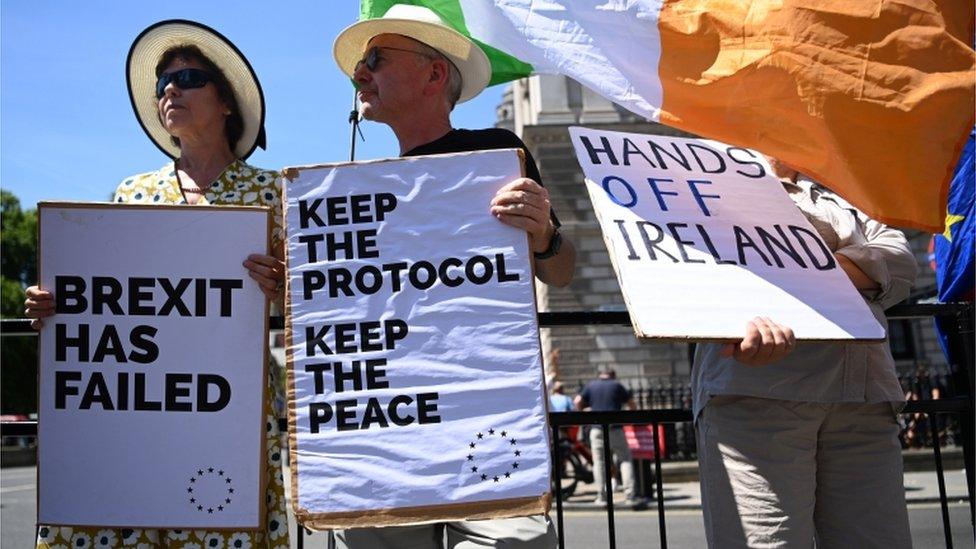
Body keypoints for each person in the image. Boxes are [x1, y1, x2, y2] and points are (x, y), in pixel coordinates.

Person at [26, 20, 289, 549]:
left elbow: (312, 306)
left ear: (227, 102)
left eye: (189, 77)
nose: (171, 90)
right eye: (163, 84)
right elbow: (107, 300)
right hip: (142, 404)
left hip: (231, 408)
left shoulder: (274, 195)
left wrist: (282, 292)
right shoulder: (132, 192)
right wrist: (57, 306)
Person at [329, 4, 576, 548]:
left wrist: (543, 236)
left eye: (374, 59)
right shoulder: (352, 193)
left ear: (434, 72)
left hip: (485, 423)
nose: (359, 75)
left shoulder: (494, 156)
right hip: (388, 435)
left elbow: (561, 272)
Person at [692, 156, 918, 548]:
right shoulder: (705, 173)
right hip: (758, 399)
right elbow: (699, 269)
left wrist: (792, 266)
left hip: (864, 398)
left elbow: (900, 263)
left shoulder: (849, 182)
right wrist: (852, 263)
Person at [573, 366, 638, 505]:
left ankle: (602, 496)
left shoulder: (590, 385)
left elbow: (577, 401)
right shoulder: (617, 385)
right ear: (612, 375)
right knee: (625, 459)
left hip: (596, 429)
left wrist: (584, 412)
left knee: (599, 463)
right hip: (615, 429)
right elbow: (632, 405)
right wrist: (630, 416)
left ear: (600, 375)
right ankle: (630, 494)